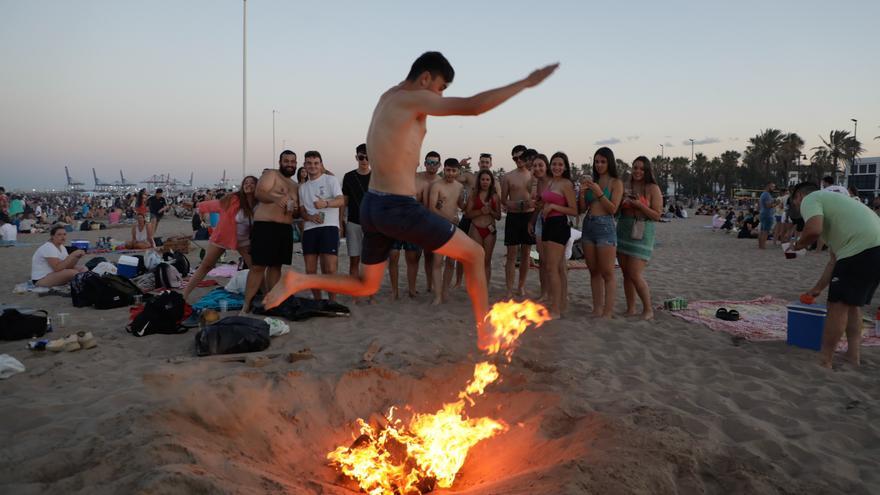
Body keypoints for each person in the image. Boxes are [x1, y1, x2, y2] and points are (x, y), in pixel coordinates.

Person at [263, 51, 558, 349]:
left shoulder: (387, 97)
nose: (440, 96)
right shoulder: (412, 97)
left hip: (373, 205)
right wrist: (525, 82)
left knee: (366, 285)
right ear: (426, 78)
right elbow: (474, 107)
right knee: (475, 255)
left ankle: (299, 281)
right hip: (397, 206)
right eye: (441, 88)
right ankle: (485, 332)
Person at [788, 181, 880, 368]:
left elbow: (813, 230)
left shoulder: (811, 198)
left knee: (837, 306)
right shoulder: (841, 208)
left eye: (794, 201)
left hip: (860, 251)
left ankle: (825, 360)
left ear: (799, 196)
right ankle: (853, 356)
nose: (797, 206)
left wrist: (797, 245)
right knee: (853, 305)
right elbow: (834, 261)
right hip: (874, 250)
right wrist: (817, 289)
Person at [184, 176, 258, 302]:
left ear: (257, 186)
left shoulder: (259, 204)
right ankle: (184, 295)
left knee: (256, 268)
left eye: (252, 183)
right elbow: (215, 204)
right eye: (246, 182)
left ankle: (263, 295)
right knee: (206, 266)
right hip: (223, 236)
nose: (248, 185)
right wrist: (196, 204)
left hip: (245, 241)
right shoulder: (233, 199)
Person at [243, 150, 300, 313]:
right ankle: (246, 304)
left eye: (293, 161)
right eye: (286, 161)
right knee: (258, 267)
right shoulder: (271, 174)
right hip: (265, 226)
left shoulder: (295, 185)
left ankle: (271, 302)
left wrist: (295, 209)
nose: (290, 164)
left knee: (276, 267)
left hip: (285, 228)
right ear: (280, 162)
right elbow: (259, 192)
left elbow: (295, 213)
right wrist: (277, 199)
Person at [616, 156, 663, 320]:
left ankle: (648, 309)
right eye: (635, 167)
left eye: (641, 169)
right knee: (626, 273)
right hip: (623, 228)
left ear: (647, 170)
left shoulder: (652, 188)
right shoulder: (625, 185)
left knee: (635, 273)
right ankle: (631, 308)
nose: (637, 171)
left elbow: (657, 215)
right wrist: (620, 203)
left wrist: (639, 205)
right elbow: (617, 210)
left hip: (642, 230)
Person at [578, 147, 623, 318]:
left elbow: (613, 209)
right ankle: (597, 308)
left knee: (608, 272)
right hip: (588, 225)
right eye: (596, 161)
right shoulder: (592, 181)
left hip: (605, 227)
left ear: (609, 162)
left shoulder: (615, 182)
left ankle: (608, 311)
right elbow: (582, 209)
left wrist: (598, 192)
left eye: (603, 161)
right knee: (593, 271)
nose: (599, 165)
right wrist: (582, 194)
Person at [297, 150, 344, 301]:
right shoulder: (303, 187)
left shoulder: (330, 180)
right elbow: (302, 210)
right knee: (310, 270)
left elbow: (341, 200)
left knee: (330, 269)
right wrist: (309, 216)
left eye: (316, 163)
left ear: (321, 164)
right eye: (309, 163)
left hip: (329, 227)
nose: (313, 166)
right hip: (310, 229)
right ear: (304, 165)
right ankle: (318, 301)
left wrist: (326, 203)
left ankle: (332, 301)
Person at [540, 152, 577, 318]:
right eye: (554, 164)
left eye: (560, 164)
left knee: (552, 268)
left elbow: (574, 210)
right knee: (557, 267)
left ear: (565, 167)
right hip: (548, 224)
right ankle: (560, 303)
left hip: (559, 225)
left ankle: (555, 310)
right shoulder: (551, 182)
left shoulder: (566, 184)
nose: (556, 167)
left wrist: (554, 207)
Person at [429, 158, 466, 304]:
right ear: (443, 169)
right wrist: (449, 218)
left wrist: (465, 202)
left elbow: (461, 206)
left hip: (453, 229)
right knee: (437, 262)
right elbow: (432, 208)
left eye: (453, 170)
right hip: (439, 227)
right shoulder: (436, 186)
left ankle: (445, 292)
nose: (450, 173)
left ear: (458, 172)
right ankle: (437, 295)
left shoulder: (459, 187)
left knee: (451, 262)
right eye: (448, 170)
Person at [501, 144, 535, 298]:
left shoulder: (533, 175)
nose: (518, 160)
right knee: (511, 254)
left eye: (521, 157)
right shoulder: (508, 176)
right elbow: (503, 200)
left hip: (529, 216)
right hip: (514, 217)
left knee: (526, 253)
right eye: (515, 158)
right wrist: (518, 204)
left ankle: (521, 286)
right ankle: (509, 288)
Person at [342, 144, 373, 303]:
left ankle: (369, 293)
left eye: (368, 157)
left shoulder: (377, 176)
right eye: (361, 157)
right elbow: (344, 201)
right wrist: (342, 221)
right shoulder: (348, 177)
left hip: (372, 225)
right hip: (353, 222)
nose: (365, 160)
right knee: (354, 259)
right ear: (356, 157)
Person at [464, 169, 501, 286]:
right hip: (476, 228)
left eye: (487, 179)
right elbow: (467, 214)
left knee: (486, 260)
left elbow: (499, 216)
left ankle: (485, 287)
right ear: (479, 181)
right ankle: (475, 286)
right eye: (483, 179)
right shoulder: (473, 195)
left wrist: (490, 211)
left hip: (489, 230)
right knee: (476, 260)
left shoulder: (495, 197)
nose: (485, 182)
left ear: (491, 182)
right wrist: (480, 211)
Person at [417, 151, 443, 292]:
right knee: (416, 256)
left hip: (434, 223)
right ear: (425, 163)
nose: (432, 165)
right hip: (417, 222)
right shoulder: (417, 177)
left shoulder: (440, 181)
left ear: (439, 165)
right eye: (429, 162)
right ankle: (422, 286)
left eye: (435, 163)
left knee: (431, 256)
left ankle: (431, 285)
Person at [527, 153, 551, 301]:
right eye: (535, 166)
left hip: (554, 221)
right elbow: (537, 205)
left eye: (540, 165)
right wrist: (532, 221)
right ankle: (544, 292)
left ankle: (556, 293)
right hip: (541, 221)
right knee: (542, 260)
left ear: (546, 165)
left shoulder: (554, 181)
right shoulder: (538, 183)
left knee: (553, 261)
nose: (537, 168)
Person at [758, 182, 776, 249]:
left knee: (762, 230)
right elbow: (768, 205)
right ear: (768, 186)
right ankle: (763, 246)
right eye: (772, 187)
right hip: (767, 214)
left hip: (763, 213)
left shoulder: (763, 194)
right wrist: (776, 204)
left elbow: (760, 205)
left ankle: (760, 246)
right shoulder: (767, 195)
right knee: (765, 231)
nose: (774, 188)